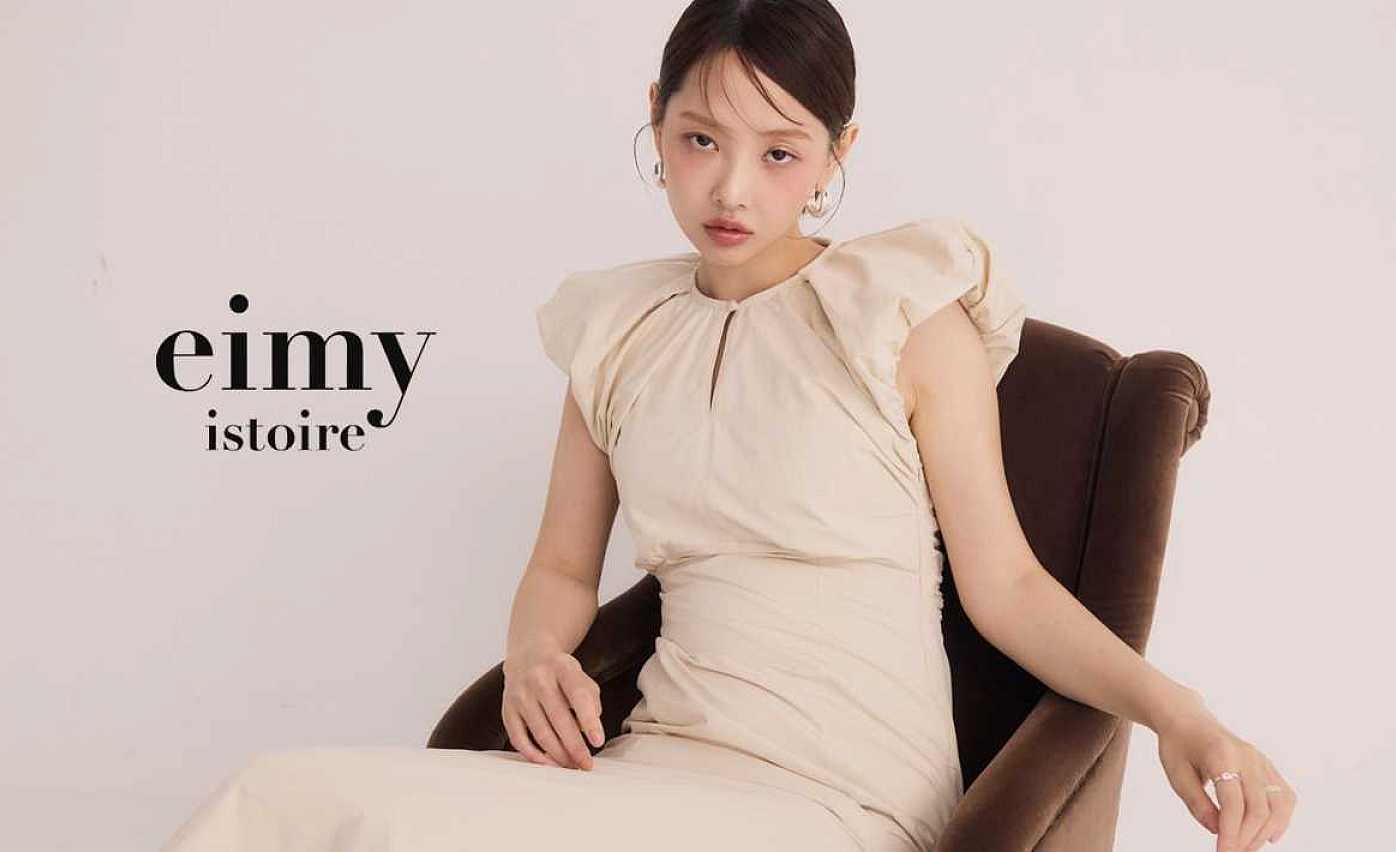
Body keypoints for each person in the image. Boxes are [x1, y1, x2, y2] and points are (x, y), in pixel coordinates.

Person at [161, 2, 1297, 851]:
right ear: (655, 122)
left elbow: (1007, 588)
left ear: (838, 155)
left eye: (780, 152)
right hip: (650, 767)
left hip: (836, 796)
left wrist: (1181, 716)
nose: (731, 191)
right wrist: (537, 655)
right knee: (272, 798)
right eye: (700, 139)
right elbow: (561, 566)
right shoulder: (618, 330)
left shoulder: (900, 312)